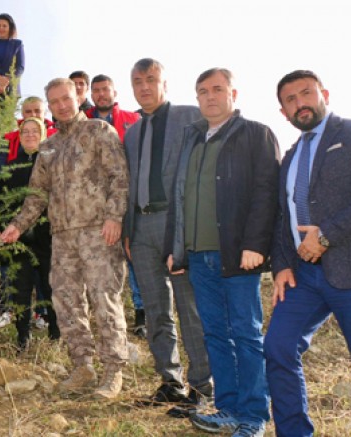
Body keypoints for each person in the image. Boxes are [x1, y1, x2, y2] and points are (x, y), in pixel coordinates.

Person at [264, 70, 351, 437]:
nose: (300, 103)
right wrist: (282, 265)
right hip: (305, 276)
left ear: (324, 94)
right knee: (278, 347)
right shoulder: (290, 157)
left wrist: (325, 236)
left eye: (306, 93)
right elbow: (284, 215)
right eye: (290, 100)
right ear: (283, 113)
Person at [165, 68, 278, 436]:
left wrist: (255, 244)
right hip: (199, 257)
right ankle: (228, 408)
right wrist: (176, 249)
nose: (210, 96)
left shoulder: (256, 134)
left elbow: (266, 194)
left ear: (233, 94)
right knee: (214, 334)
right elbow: (179, 198)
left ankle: (254, 415)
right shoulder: (192, 139)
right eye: (203, 91)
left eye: (217, 89)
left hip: (237, 255)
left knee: (246, 334)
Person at [0, 78, 129, 400]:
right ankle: (83, 366)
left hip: (99, 232)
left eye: (66, 98)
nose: (61, 105)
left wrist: (114, 217)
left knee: (104, 298)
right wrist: (17, 226)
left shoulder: (99, 131)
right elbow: (36, 195)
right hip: (62, 237)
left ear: (78, 97)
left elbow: (119, 176)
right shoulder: (48, 147)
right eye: (54, 101)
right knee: (67, 301)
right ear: (49, 106)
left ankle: (113, 370)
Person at [122, 58, 213, 411]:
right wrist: (128, 230)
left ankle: (203, 386)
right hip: (141, 230)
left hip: (178, 225)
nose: (144, 86)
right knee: (155, 309)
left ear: (164, 83)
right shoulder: (132, 132)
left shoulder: (191, 116)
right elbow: (129, 183)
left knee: (189, 308)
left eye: (151, 79)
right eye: (137, 81)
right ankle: (170, 382)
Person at [83, 73, 145, 337]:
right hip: (94, 203)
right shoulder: (83, 123)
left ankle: (142, 313)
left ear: (114, 92)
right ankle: (103, 316)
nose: (101, 94)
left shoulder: (133, 120)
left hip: (129, 197)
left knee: (134, 256)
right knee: (100, 260)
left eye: (105, 89)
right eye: (96, 90)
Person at [0, 117, 58, 350]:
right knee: (21, 287)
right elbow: (0, 201)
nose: (30, 135)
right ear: (19, 137)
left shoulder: (51, 164)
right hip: (16, 237)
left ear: (43, 134)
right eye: (25, 131)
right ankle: (22, 336)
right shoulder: (11, 167)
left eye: (34, 131)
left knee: (50, 286)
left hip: (48, 235)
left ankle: (56, 333)